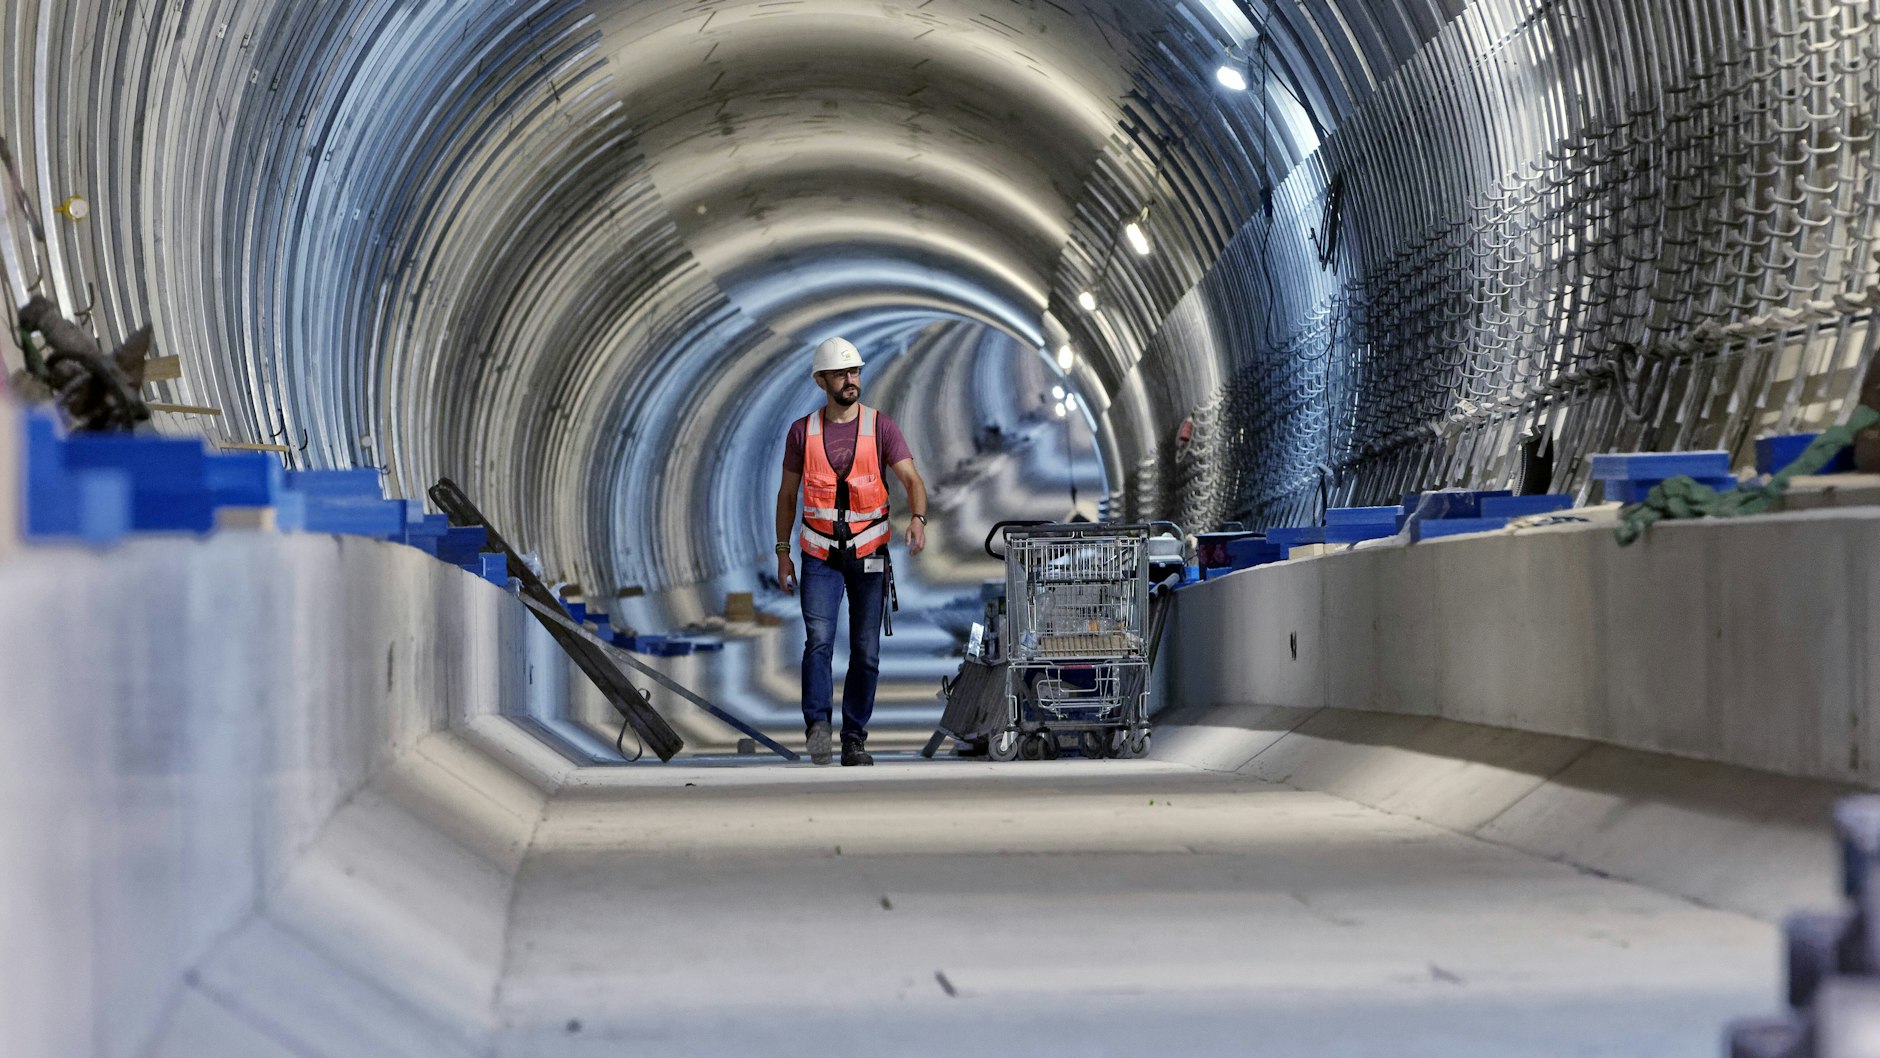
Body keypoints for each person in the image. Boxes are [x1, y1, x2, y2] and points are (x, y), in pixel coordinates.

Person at [776, 337, 929, 766]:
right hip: (819, 554)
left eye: (855, 372)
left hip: (868, 553)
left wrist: (917, 519)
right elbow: (788, 496)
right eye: (842, 373)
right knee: (819, 641)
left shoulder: (880, 427)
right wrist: (783, 552)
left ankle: (854, 738)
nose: (850, 380)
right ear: (821, 380)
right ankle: (818, 729)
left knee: (866, 650)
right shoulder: (801, 433)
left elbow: (912, 481)